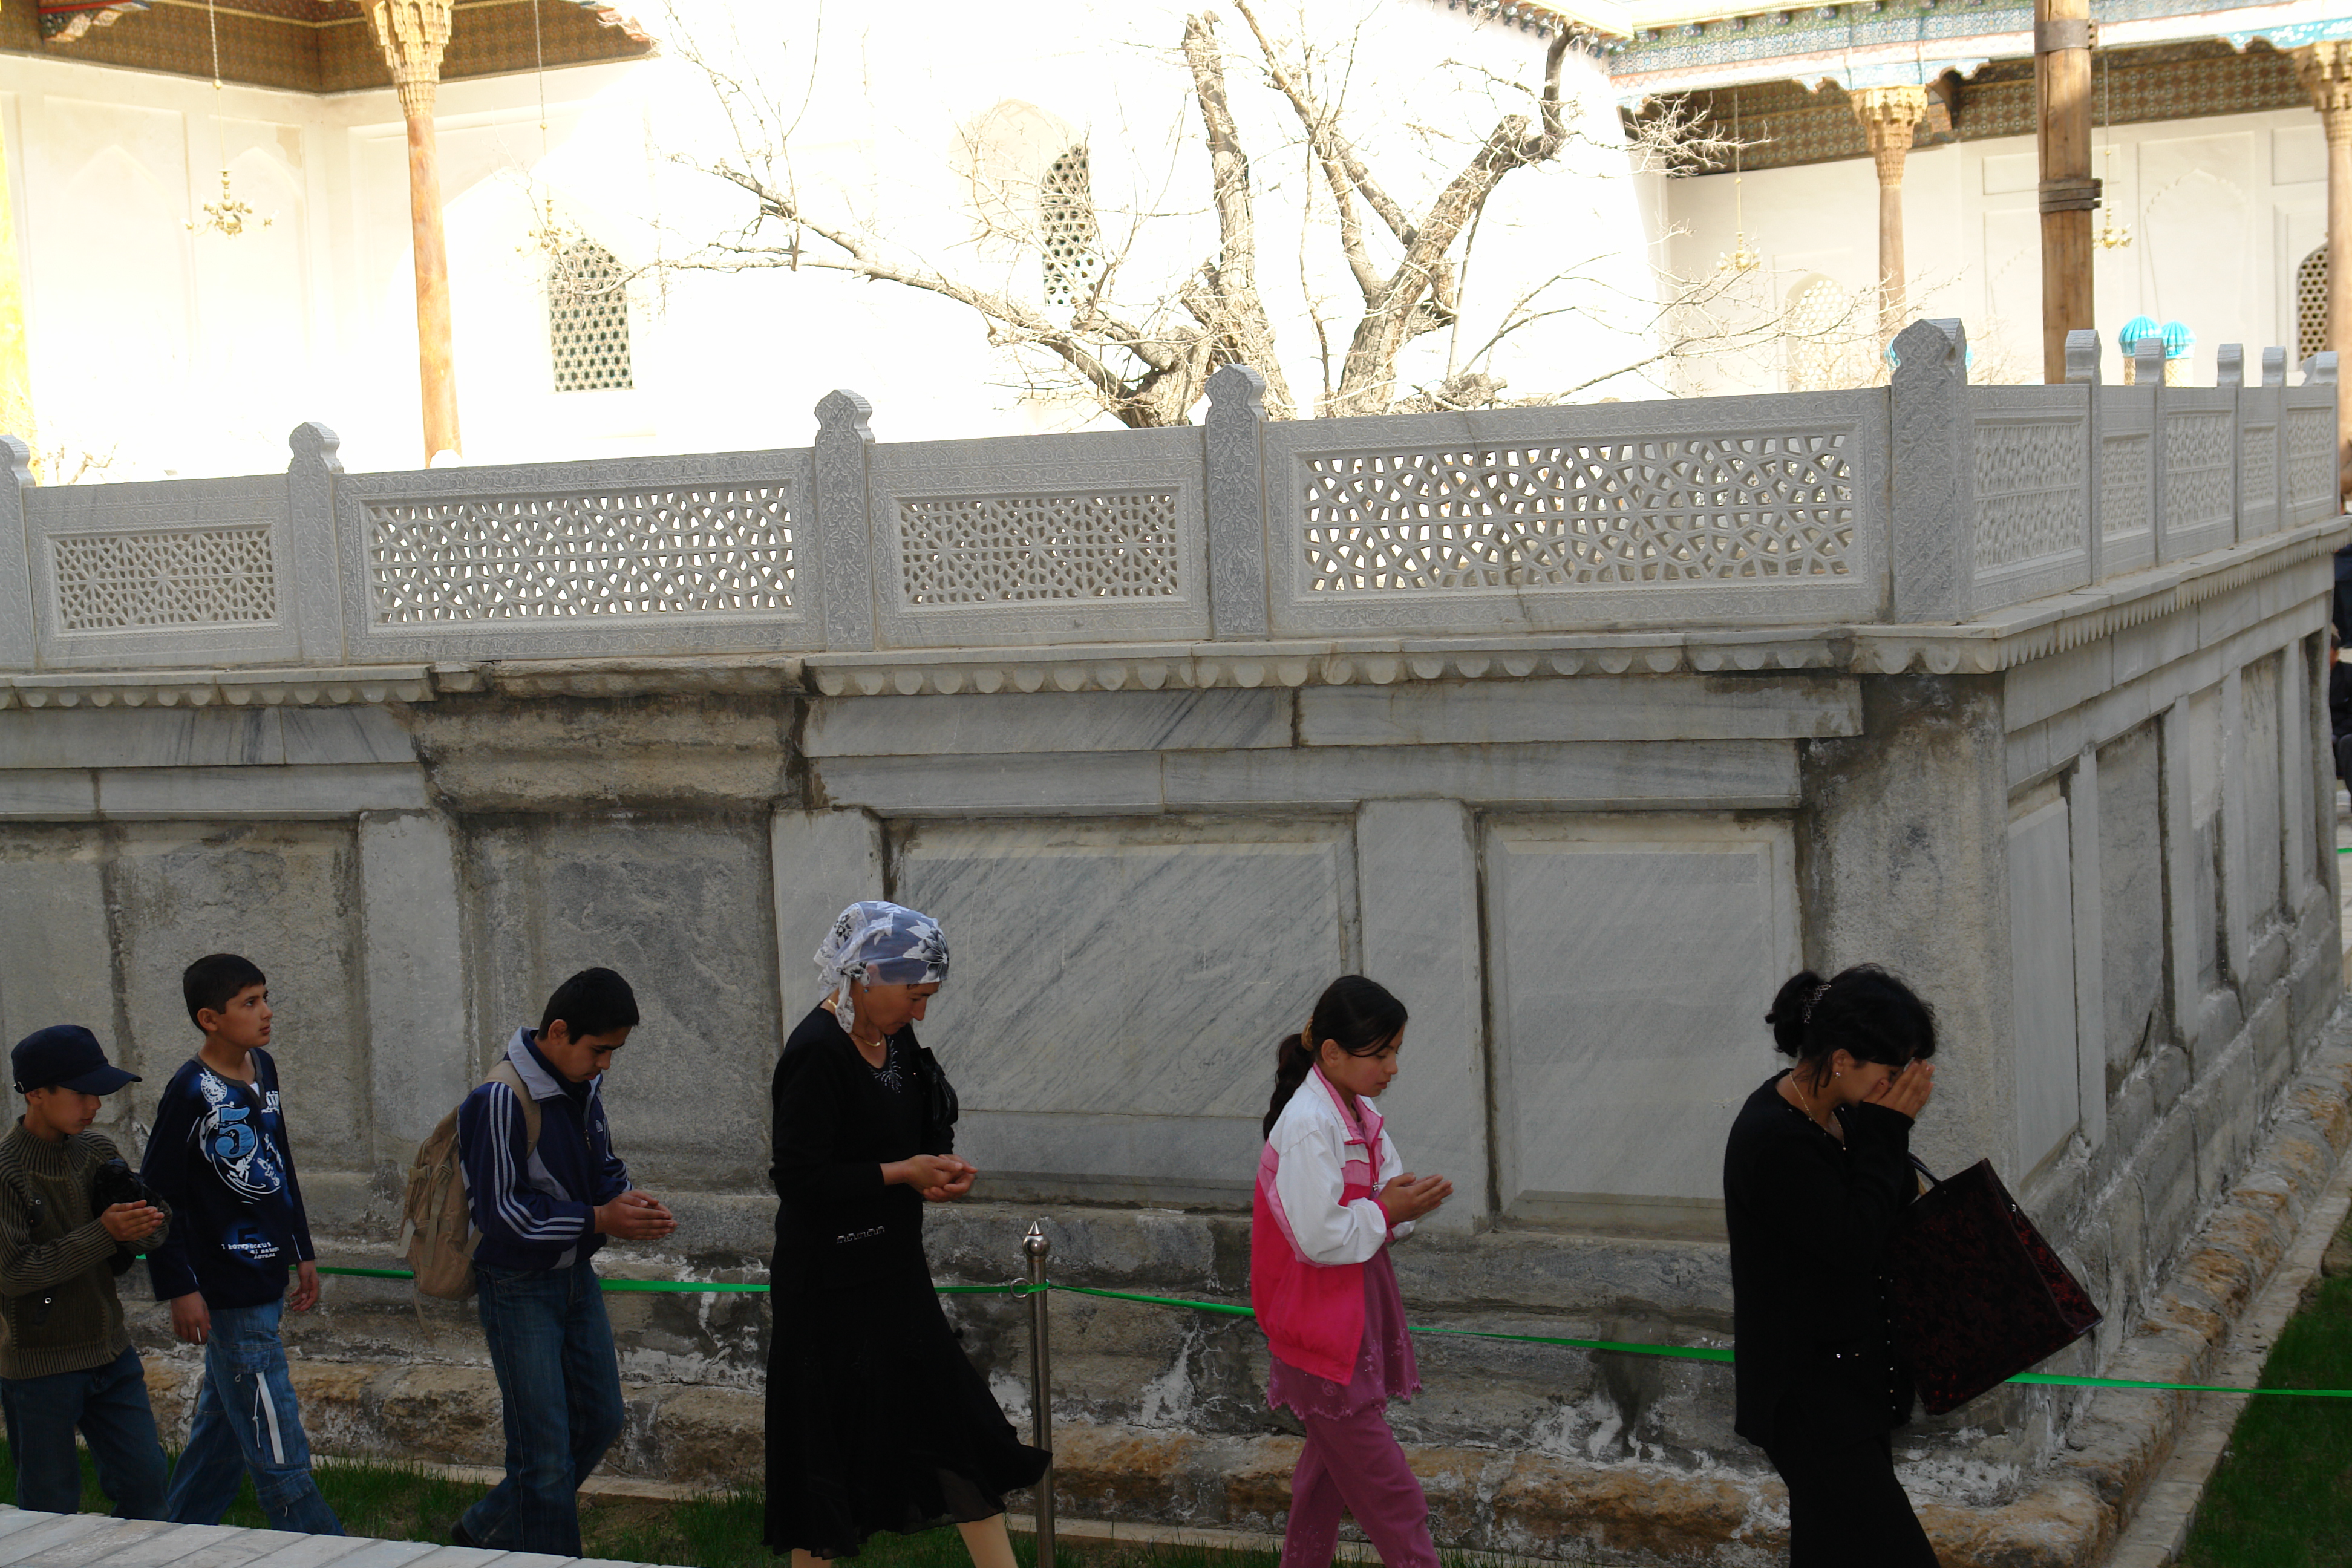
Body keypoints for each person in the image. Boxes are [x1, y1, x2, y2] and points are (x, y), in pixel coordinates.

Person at [765, 900, 1046, 1566]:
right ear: (866, 976)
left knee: (951, 1424)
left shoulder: (895, 1041)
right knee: (827, 1449)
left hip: (893, 1272)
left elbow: (913, 1128)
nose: (920, 1013)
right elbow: (800, 1179)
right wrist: (901, 1173)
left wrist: (936, 1170)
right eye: (913, 996)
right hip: (826, 1289)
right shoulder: (816, 1052)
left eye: (928, 999)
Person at [451, 966, 676, 1555]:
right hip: (517, 1288)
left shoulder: (583, 1087)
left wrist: (628, 1203)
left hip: (576, 1278)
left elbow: (602, 1165)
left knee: (601, 1418)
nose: (606, 1065)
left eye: (614, 1052)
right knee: (543, 1454)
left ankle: (484, 1530)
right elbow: (501, 1215)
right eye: (599, 1050)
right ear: (557, 1032)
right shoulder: (499, 1100)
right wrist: (601, 1220)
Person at [1722, 964, 1940, 1567]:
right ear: (1842, 1060)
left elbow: (1892, 1206)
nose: (1898, 1086)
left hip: (1855, 1389)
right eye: (1892, 1072)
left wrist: (1883, 1132)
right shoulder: (1775, 1140)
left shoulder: (1843, 1114)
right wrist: (1888, 1134)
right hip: (1808, 1402)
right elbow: (1853, 1243)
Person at [1252, 975, 1453, 1568]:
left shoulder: (1361, 1115)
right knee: (1393, 1496)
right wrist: (1388, 1211)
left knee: (1326, 1482)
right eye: (1381, 1054)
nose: (1393, 1068)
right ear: (1333, 1052)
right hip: (1320, 1334)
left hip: (1346, 1325)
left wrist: (1397, 1209)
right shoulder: (1308, 1124)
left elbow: (1387, 1204)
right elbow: (1319, 1237)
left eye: (1396, 1052)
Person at [142, 953, 342, 1535]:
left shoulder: (264, 1067)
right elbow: (157, 1196)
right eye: (249, 1003)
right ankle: (323, 1546)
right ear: (210, 1019)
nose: (266, 1012)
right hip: (227, 1287)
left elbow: (279, 1161)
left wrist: (302, 1248)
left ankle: (173, 1537)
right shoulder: (190, 1091)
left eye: (265, 997)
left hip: (269, 1272)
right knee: (278, 1445)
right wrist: (179, 1287)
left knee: (223, 1433)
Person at [0, 1025, 172, 1518]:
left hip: (112, 1354)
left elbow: (155, 1230)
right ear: (35, 1093)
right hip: (39, 1369)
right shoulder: (7, 1172)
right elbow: (13, 1272)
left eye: (99, 1094)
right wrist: (104, 1233)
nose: (95, 1106)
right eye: (82, 1094)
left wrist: (143, 1224)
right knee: (49, 1508)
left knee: (147, 1484)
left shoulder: (97, 1151)